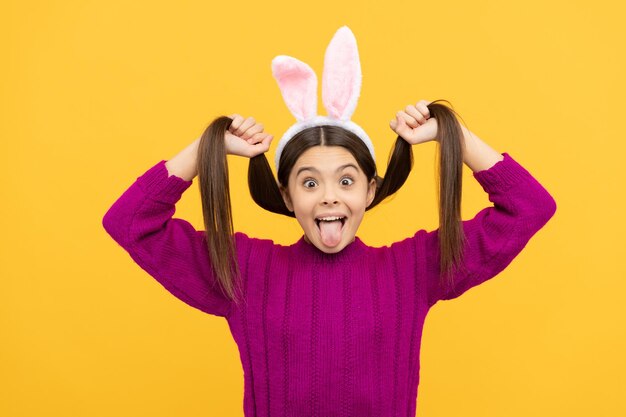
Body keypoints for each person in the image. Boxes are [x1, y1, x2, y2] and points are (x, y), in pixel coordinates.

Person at [102, 26, 556, 417]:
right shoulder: (244, 271)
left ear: (370, 191)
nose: (330, 198)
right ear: (287, 195)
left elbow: (530, 206)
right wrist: (207, 150)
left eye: (346, 180)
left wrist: (450, 133)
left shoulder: (411, 269)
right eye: (310, 183)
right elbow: (129, 222)